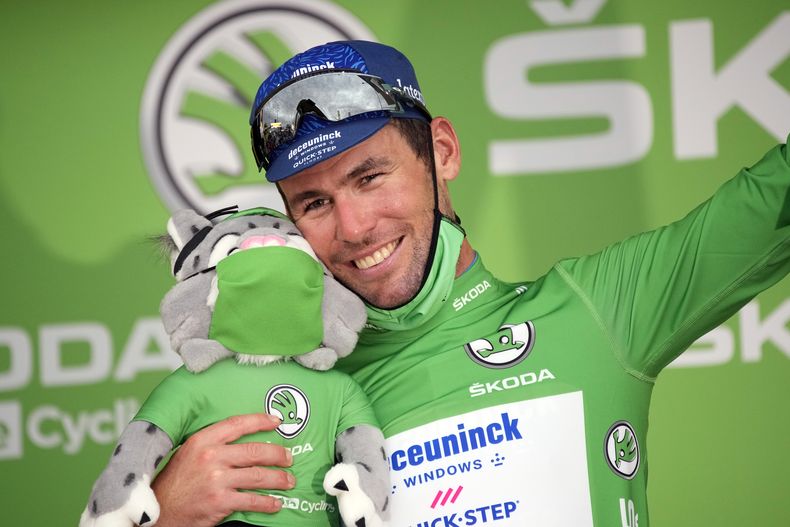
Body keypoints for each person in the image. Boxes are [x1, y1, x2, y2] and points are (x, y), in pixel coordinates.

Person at [150, 40, 790, 526]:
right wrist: (162, 513)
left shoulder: (597, 312)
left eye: (370, 177)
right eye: (314, 203)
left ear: (443, 152)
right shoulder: (288, 408)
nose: (353, 226)